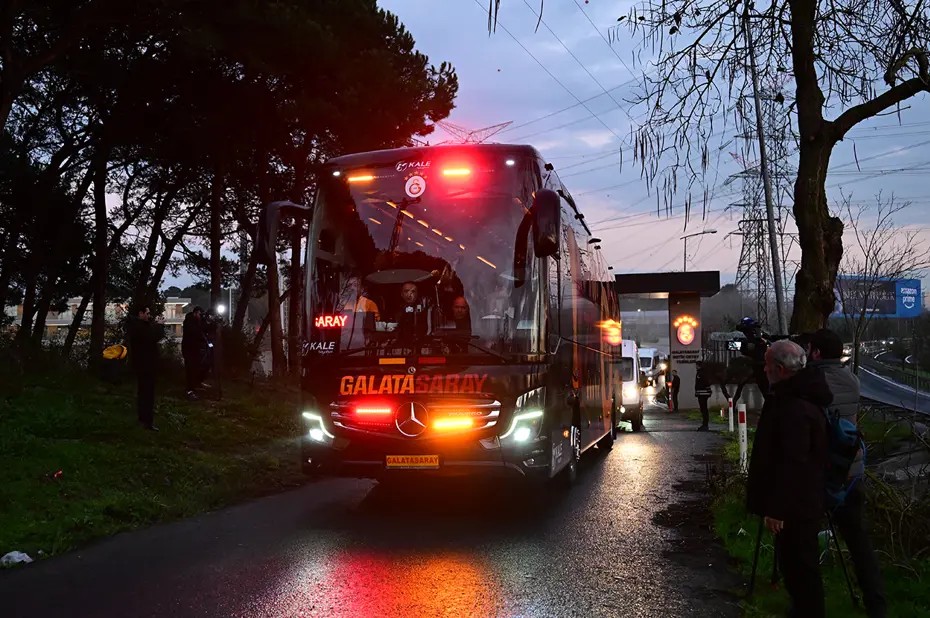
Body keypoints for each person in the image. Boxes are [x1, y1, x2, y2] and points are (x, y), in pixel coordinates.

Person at [747, 340, 831, 618]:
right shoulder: (798, 394)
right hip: (801, 501)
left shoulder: (794, 406)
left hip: (797, 505)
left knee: (800, 568)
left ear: (780, 369)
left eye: (768, 365)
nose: (764, 369)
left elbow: (792, 462)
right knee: (796, 567)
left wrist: (776, 509)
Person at [807, 328, 886, 618]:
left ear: (815, 353)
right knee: (858, 540)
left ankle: (808, 604)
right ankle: (876, 604)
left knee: (803, 540)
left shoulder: (810, 382)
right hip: (850, 472)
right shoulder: (851, 380)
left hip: (818, 474)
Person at [128, 305, 164, 431]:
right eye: (147, 313)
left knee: (144, 392)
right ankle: (146, 421)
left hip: (143, 364)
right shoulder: (139, 327)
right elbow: (152, 337)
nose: (149, 315)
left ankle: (143, 419)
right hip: (146, 364)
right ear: (140, 313)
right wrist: (160, 326)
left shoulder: (137, 326)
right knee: (147, 393)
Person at [182, 306, 208, 399]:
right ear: (196, 313)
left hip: (195, 349)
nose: (201, 317)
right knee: (191, 370)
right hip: (189, 349)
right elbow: (196, 332)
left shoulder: (197, 322)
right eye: (200, 314)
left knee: (200, 367)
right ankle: (189, 390)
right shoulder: (189, 322)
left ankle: (196, 384)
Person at [694, 361, 712, 431]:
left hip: (703, 393)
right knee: (703, 409)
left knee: (704, 409)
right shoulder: (700, 372)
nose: (695, 366)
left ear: (699, 365)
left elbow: (705, 382)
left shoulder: (702, 373)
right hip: (701, 393)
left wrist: (708, 389)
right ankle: (704, 424)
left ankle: (705, 425)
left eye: (696, 365)